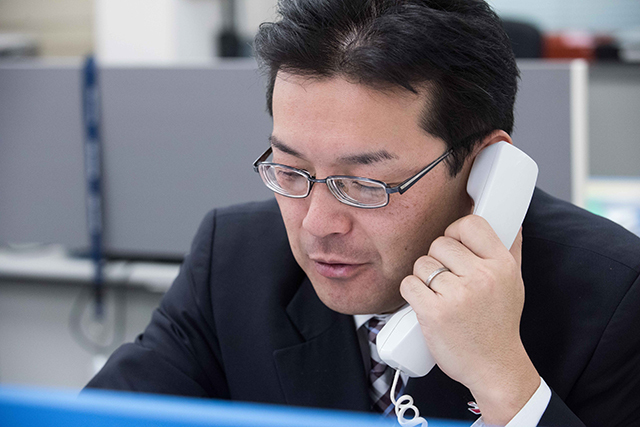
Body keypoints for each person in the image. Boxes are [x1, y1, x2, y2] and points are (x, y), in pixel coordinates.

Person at [86, 0, 640, 425]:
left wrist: (503, 380)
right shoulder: (232, 260)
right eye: (291, 170)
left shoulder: (613, 297)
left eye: (363, 183)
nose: (317, 224)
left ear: (482, 168)